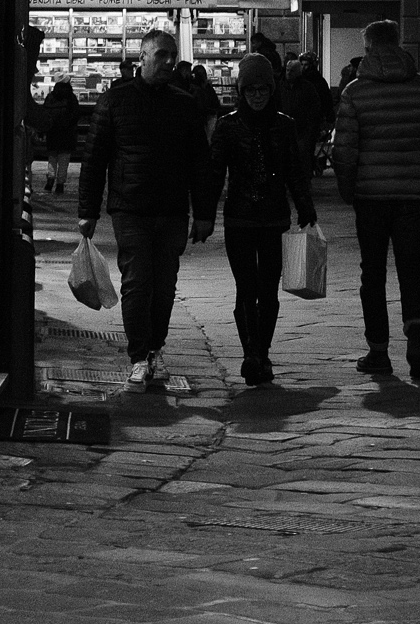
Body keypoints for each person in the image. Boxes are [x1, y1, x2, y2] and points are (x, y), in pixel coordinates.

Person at [78, 28, 215, 389]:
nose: (169, 61)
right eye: (161, 55)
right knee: (138, 282)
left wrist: (204, 213)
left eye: (173, 55)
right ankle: (139, 355)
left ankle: (155, 348)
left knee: (165, 284)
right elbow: (94, 159)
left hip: (171, 209)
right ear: (142, 58)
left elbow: (201, 163)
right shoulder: (116, 100)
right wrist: (87, 211)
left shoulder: (184, 103)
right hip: (130, 208)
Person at [333, 18, 420, 380]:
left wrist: (347, 187)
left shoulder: (355, 92)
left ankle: (378, 350)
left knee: (374, 271)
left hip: (371, 194)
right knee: (411, 267)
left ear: (368, 48)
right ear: (398, 44)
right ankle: (416, 339)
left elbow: (344, 150)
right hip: (412, 193)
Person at [207, 54, 318, 385]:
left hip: (273, 217)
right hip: (239, 217)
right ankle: (250, 353)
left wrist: (305, 206)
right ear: (242, 91)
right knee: (246, 287)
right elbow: (214, 173)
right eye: (251, 89)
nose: (257, 95)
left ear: (272, 89)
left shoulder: (284, 124)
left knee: (268, 289)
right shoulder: (227, 126)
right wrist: (204, 214)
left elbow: (295, 170)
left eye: (263, 89)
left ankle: (262, 350)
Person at [279, 54, 325, 177]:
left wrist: (311, 126)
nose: (289, 73)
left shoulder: (307, 87)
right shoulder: (281, 86)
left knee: (303, 157)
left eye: (292, 71)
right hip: (286, 128)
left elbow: (315, 108)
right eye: (287, 70)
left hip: (302, 128)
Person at [42, 76, 80, 193]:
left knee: (52, 157)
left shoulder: (51, 97)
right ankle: (60, 184)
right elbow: (76, 115)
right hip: (67, 133)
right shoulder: (71, 98)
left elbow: (45, 114)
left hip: (52, 133)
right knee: (64, 160)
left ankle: (50, 179)